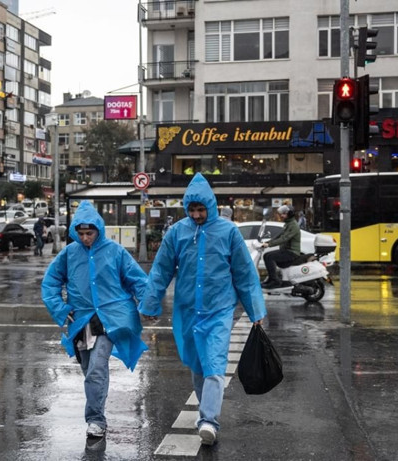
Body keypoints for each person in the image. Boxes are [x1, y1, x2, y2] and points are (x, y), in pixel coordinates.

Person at [138, 173, 266, 446]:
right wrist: (150, 303)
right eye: (192, 210)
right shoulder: (177, 233)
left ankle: (209, 420)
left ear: (211, 206)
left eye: (201, 209)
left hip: (219, 309)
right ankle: (205, 412)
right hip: (187, 310)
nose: (196, 215)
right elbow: (161, 270)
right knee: (198, 365)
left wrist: (256, 311)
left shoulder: (228, 232)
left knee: (215, 364)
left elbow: (244, 273)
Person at [41, 200, 149, 439]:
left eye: (89, 233)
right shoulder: (69, 254)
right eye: (80, 234)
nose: (85, 238)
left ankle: (96, 419)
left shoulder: (115, 251)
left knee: (97, 367)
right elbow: (50, 282)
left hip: (111, 318)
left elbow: (138, 280)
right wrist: (61, 308)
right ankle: (98, 410)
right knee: (90, 369)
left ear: (98, 229)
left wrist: (147, 305)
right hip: (82, 321)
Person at [261, 205, 301, 288]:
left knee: (270, 257)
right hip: (286, 251)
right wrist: (267, 242)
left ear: (290, 214)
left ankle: (275, 281)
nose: (281, 215)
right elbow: (279, 236)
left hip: (292, 252)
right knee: (266, 255)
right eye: (281, 214)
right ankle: (271, 279)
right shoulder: (288, 224)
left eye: (284, 214)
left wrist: (269, 245)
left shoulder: (293, 225)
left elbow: (284, 238)